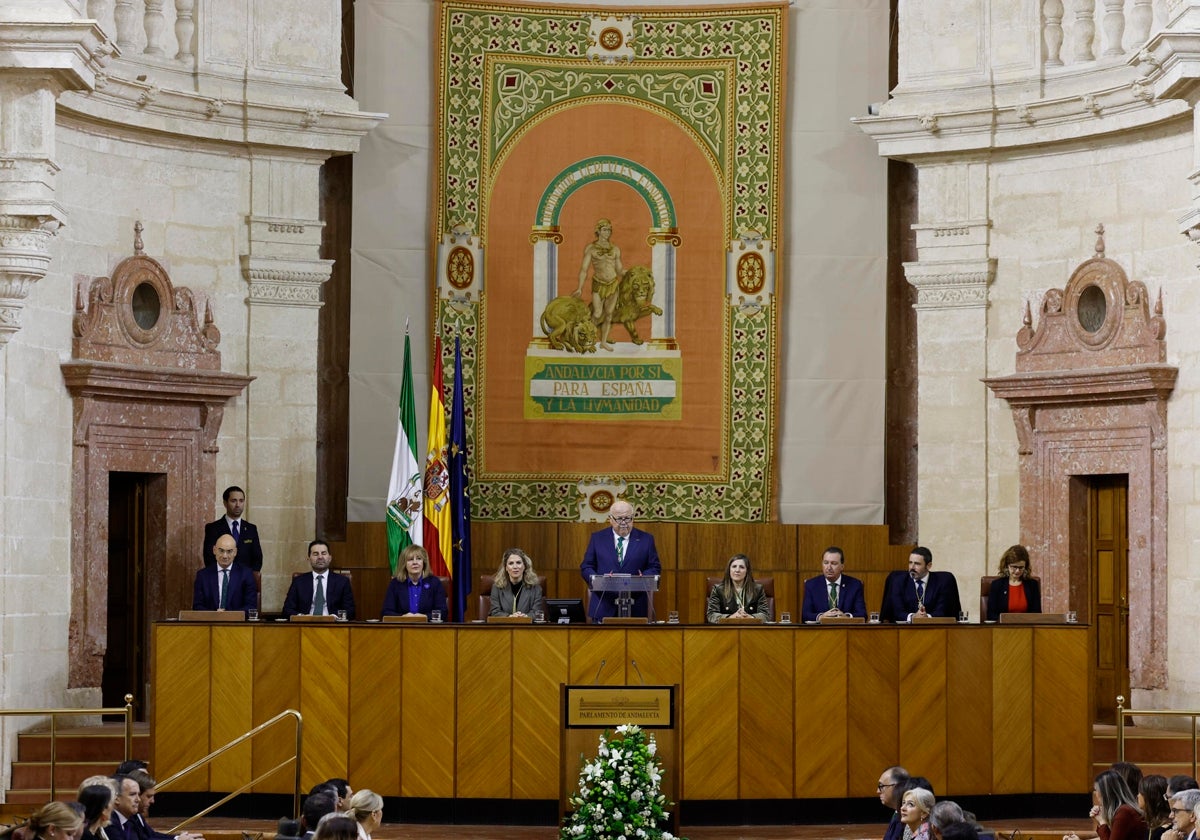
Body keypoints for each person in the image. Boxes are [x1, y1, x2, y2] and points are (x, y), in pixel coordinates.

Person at [580, 500, 661, 621]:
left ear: (633, 518)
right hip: (603, 604)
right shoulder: (597, 538)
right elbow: (586, 566)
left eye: (628, 518)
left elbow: (655, 567)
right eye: (619, 519)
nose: (624, 523)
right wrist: (597, 580)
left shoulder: (646, 539)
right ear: (610, 519)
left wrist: (643, 578)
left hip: (636, 606)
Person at [573, 218, 624, 350]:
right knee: (597, 313)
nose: (607, 233)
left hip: (613, 284)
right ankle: (587, 336)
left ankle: (603, 342)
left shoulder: (616, 249)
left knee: (608, 315)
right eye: (605, 230)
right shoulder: (591, 248)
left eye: (609, 230)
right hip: (599, 284)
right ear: (598, 231)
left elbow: (619, 270)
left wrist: (631, 272)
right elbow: (584, 270)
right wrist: (579, 288)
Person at [1066, 769, 1149, 840]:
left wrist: (1102, 821)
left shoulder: (1124, 812)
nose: (1095, 794)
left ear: (1106, 793)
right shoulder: (1124, 809)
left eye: (1096, 790)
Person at [883, 546, 961, 622]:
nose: (912, 567)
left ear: (928, 566)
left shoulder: (942, 582)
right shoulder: (898, 581)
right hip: (904, 631)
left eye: (917, 564)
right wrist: (913, 617)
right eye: (910, 563)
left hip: (935, 630)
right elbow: (897, 611)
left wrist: (927, 617)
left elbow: (942, 611)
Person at [282, 540, 356, 619]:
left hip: (333, 627)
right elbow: (287, 610)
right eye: (315, 554)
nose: (320, 557)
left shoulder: (342, 581)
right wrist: (303, 617)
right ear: (309, 559)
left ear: (330, 558)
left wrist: (333, 617)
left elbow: (350, 611)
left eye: (323, 553)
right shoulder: (299, 582)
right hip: (305, 626)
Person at [126, 769, 202, 840]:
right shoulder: (126, 819)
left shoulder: (137, 815)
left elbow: (152, 835)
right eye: (149, 796)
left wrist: (177, 838)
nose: (153, 801)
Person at [192, 534, 257, 614]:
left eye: (229, 551)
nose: (225, 556)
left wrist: (228, 615)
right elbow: (197, 606)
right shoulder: (203, 576)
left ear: (235, 552)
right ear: (214, 550)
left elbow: (251, 606)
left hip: (237, 624)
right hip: (210, 623)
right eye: (221, 551)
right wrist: (214, 614)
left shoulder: (246, 574)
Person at [202, 486, 263, 572]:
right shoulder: (213, 528)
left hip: (245, 581)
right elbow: (209, 558)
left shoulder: (251, 529)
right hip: (222, 580)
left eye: (241, 501)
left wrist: (246, 577)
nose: (238, 505)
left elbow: (257, 559)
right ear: (225, 503)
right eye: (233, 501)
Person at [381, 544, 448, 618]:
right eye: (410, 559)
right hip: (403, 627)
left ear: (424, 562)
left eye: (419, 559)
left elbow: (443, 612)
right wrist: (403, 617)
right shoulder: (396, 583)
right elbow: (386, 612)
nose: (415, 562)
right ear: (404, 564)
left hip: (428, 627)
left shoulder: (434, 583)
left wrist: (424, 617)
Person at [801, 546, 867, 621]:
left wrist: (846, 617)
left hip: (846, 630)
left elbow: (863, 614)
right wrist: (821, 617)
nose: (829, 567)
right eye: (826, 563)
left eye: (834, 563)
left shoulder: (855, 585)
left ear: (842, 567)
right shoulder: (811, 585)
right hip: (820, 631)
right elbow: (805, 615)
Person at [706, 554, 770, 623]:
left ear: (747, 571)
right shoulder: (718, 589)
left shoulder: (757, 589)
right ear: (729, 570)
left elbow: (765, 615)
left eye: (741, 567)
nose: (737, 570)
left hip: (751, 630)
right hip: (726, 630)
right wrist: (731, 617)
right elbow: (711, 615)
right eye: (734, 566)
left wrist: (750, 617)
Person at [986, 544, 1041, 622]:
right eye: (1014, 567)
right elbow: (991, 615)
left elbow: (1037, 614)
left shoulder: (1032, 585)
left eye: (1021, 567)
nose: (1018, 571)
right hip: (1003, 629)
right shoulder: (997, 585)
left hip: (1027, 628)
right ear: (1007, 566)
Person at [489, 548, 546, 618]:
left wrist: (525, 617)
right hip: (504, 627)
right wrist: (510, 617)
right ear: (506, 568)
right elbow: (494, 612)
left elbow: (537, 612)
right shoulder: (497, 587)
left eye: (518, 563)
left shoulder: (535, 588)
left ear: (524, 566)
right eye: (511, 563)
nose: (515, 567)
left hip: (527, 627)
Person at [879, 765, 912, 840]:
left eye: (881, 786)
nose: (878, 791)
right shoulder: (897, 813)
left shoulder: (910, 820)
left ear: (896, 787)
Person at [1139, 774, 1171, 840]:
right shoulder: (1152, 825)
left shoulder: (1163, 832)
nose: (1138, 796)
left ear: (1150, 797)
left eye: (1140, 792)